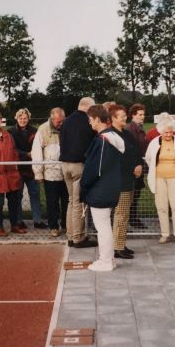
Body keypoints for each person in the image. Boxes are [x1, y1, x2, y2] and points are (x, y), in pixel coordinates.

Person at [80, 105, 125, 272]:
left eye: (90, 120)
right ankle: (109, 259)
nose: (90, 123)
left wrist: (83, 185)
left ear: (98, 119)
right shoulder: (113, 136)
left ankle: (105, 261)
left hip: (101, 189)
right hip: (110, 187)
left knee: (103, 227)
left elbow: (94, 169)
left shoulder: (103, 140)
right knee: (105, 225)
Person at [60, 97, 97, 248]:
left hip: (65, 166)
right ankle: (78, 237)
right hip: (79, 166)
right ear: (88, 107)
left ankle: (70, 235)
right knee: (79, 203)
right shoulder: (88, 122)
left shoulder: (66, 121)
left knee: (71, 201)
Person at [145, 113, 175, 244]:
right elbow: (148, 158)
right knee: (161, 206)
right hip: (159, 178)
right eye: (166, 132)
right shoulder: (154, 142)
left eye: (170, 132)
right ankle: (165, 234)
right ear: (160, 131)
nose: (168, 135)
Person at [109, 104, 141, 259]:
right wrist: (132, 167)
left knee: (125, 214)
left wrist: (138, 164)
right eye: (122, 115)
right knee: (120, 214)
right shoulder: (110, 136)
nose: (125, 117)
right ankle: (117, 247)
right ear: (113, 118)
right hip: (119, 181)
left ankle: (121, 243)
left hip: (129, 180)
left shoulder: (127, 134)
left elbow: (134, 152)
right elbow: (115, 160)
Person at [32, 107, 68, 237]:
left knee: (67, 201)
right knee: (52, 202)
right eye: (58, 121)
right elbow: (36, 152)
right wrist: (38, 173)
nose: (61, 124)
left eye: (63, 120)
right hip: (50, 173)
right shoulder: (43, 129)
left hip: (66, 172)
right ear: (52, 118)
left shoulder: (67, 127)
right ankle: (53, 226)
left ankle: (66, 225)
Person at [9, 108, 46, 230]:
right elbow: (12, 149)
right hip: (18, 168)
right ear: (16, 118)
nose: (23, 120)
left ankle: (37, 220)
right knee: (18, 196)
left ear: (28, 118)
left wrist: (32, 154)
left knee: (35, 194)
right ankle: (19, 221)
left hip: (32, 168)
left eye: (25, 118)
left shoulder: (35, 131)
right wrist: (26, 154)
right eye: (20, 118)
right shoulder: (11, 132)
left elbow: (39, 147)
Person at [126, 103, 148, 229]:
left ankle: (133, 217)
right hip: (134, 168)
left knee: (137, 193)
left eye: (143, 114)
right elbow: (132, 149)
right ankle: (131, 219)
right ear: (133, 115)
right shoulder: (130, 128)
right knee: (132, 194)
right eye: (140, 114)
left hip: (140, 166)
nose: (143, 116)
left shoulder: (140, 128)